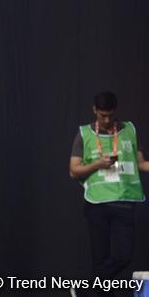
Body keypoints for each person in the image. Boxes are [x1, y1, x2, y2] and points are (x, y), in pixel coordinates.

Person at [69, 91, 149, 286]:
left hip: (124, 200)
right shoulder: (84, 134)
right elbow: (74, 171)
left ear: (115, 111)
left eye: (110, 115)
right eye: (102, 115)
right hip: (97, 203)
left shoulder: (129, 129)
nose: (106, 120)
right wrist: (98, 164)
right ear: (94, 110)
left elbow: (140, 164)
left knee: (124, 256)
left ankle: (85, 289)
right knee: (100, 259)